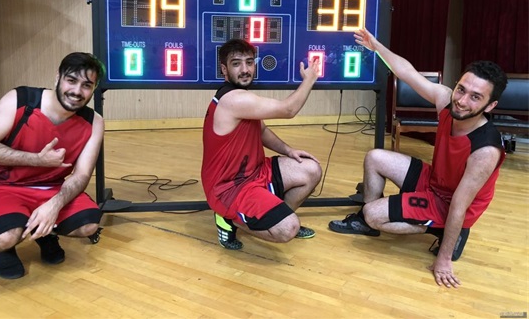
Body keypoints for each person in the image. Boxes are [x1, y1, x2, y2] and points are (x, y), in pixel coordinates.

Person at [328, 29, 507, 288]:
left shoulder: (485, 150)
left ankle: (441, 231)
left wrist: (444, 259)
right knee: (375, 157)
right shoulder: (446, 101)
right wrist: (376, 47)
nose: (462, 100)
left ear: (490, 106)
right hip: (435, 181)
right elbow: (407, 72)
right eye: (461, 89)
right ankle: (366, 223)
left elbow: (459, 205)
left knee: (374, 214)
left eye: (475, 97)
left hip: (451, 203)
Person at [0, 52, 106, 279]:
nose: (77, 91)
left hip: (50, 188)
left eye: (86, 85)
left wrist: (54, 206)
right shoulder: (20, 100)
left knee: (88, 225)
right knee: (2, 238)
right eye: (71, 80)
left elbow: (82, 175)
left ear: (93, 89)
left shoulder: (94, 121)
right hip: (2, 185)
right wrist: (37, 160)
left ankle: (46, 233)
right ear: (58, 77)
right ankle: (7, 248)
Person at [201, 39, 322, 249]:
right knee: (288, 229)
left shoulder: (243, 98)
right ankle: (229, 219)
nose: (245, 69)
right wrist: (309, 79)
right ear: (224, 69)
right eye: (236, 64)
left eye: (249, 62)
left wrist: (289, 150)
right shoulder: (234, 100)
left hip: (256, 172)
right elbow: (288, 110)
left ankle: (278, 215)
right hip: (231, 188)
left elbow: (262, 131)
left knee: (311, 170)